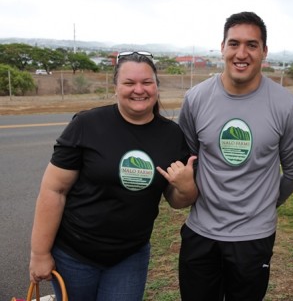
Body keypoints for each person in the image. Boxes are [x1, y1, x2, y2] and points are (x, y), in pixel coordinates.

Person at [28, 51, 198, 301]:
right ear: (116, 87)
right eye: (129, 83)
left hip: (130, 256)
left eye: (146, 82)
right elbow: (54, 190)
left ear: (156, 87)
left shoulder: (172, 136)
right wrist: (40, 254)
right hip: (75, 253)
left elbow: (177, 200)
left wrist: (186, 187)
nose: (138, 90)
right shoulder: (87, 125)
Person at [177, 11, 293, 301]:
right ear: (222, 47)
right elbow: (189, 160)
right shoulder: (196, 99)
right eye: (234, 43)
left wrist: (264, 202)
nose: (242, 53)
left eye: (252, 45)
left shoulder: (285, 105)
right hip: (201, 233)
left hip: (254, 238)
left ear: (264, 52)